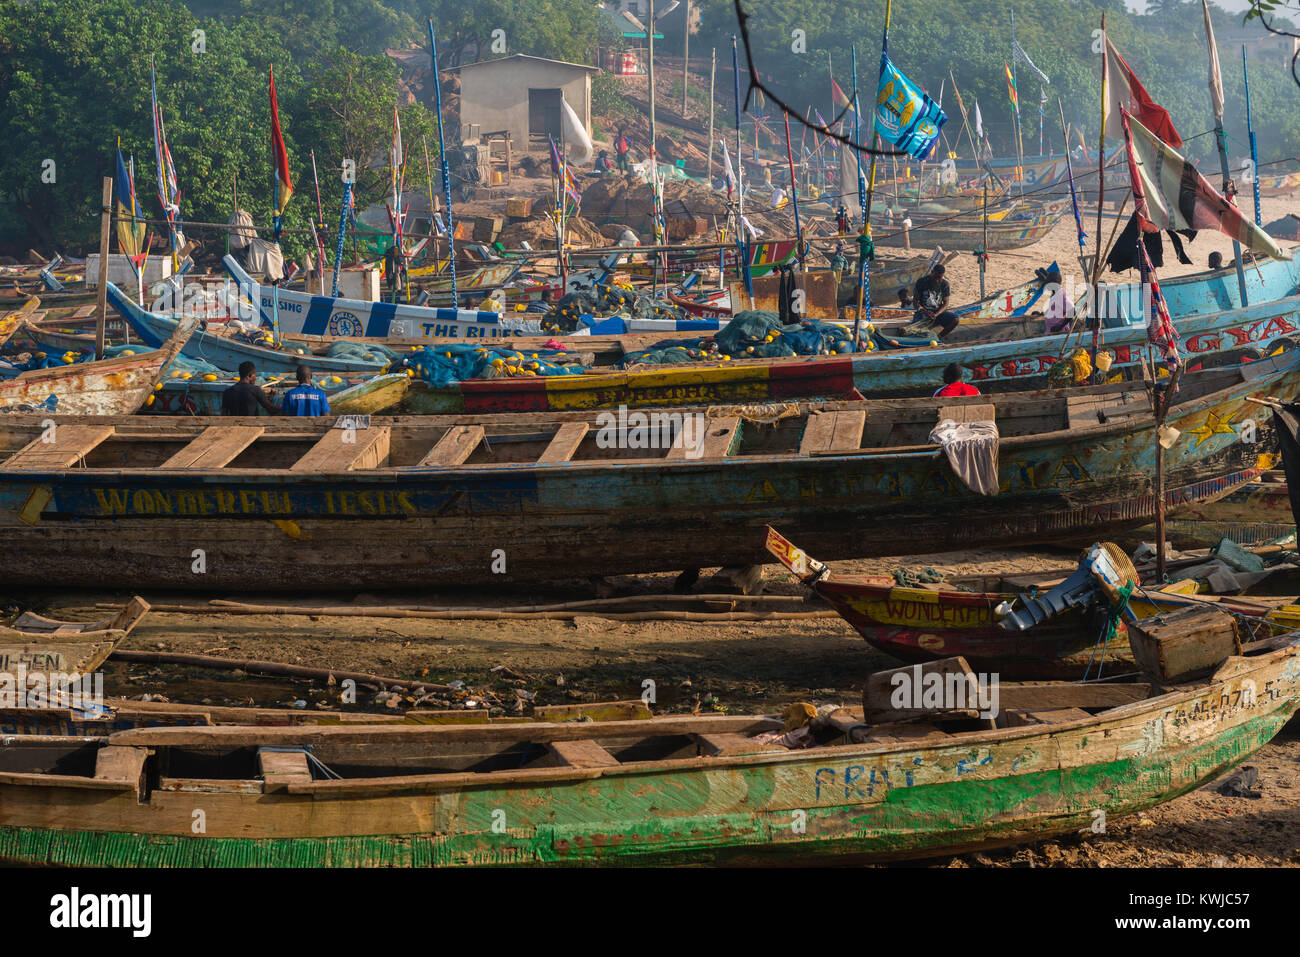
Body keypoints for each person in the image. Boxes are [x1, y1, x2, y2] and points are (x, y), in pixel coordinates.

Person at [913, 264, 959, 338]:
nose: (937, 280)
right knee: (916, 330)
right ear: (932, 272)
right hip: (923, 312)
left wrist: (936, 314)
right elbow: (915, 301)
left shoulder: (944, 284)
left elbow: (946, 303)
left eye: (939, 278)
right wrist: (924, 311)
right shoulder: (921, 282)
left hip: (937, 313)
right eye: (935, 277)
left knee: (955, 320)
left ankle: (939, 337)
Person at [1042, 268, 1075, 334]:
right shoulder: (1054, 293)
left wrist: (1060, 326)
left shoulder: (1061, 295)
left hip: (1059, 332)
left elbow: (1072, 311)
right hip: (1050, 330)